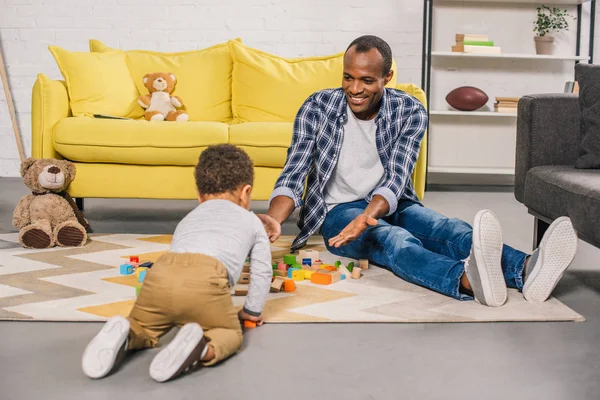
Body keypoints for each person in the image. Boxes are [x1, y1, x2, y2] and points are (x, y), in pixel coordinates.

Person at [258, 35, 578, 308]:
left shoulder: (409, 110)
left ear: (387, 76)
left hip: (391, 203)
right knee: (393, 239)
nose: (354, 89)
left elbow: (397, 177)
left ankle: (525, 270)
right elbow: (294, 170)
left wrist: (369, 213)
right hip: (337, 213)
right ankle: (467, 279)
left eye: (367, 80)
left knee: (446, 228)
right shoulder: (317, 107)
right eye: (348, 77)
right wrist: (275, 217)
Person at [82, 144, 273, 382]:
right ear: (246, 193)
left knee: (146, 327)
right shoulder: (252, 221)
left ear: (199, 195)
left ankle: (127, 332)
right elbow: (263, 271)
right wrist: (250, 312)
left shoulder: (188, 218)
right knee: (228, 333)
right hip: (208, 279)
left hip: (162, 272)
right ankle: (201, 348)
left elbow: (180, 254)